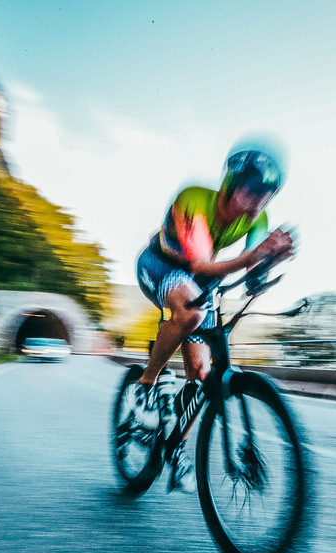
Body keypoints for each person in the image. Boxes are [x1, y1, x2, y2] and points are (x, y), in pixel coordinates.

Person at [125, 140, 296, 493]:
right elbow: (200, 263)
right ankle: (145, 385)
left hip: (202, 278)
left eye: (265, 196)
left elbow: (252, 268)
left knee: (202, 376)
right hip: (161, 264)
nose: (256, 204)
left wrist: (267, 263)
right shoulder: (195, 200)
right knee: (189, 312)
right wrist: (254, 258)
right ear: (230, 185)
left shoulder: (257, 219)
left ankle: (174, 447)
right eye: (250, 193)